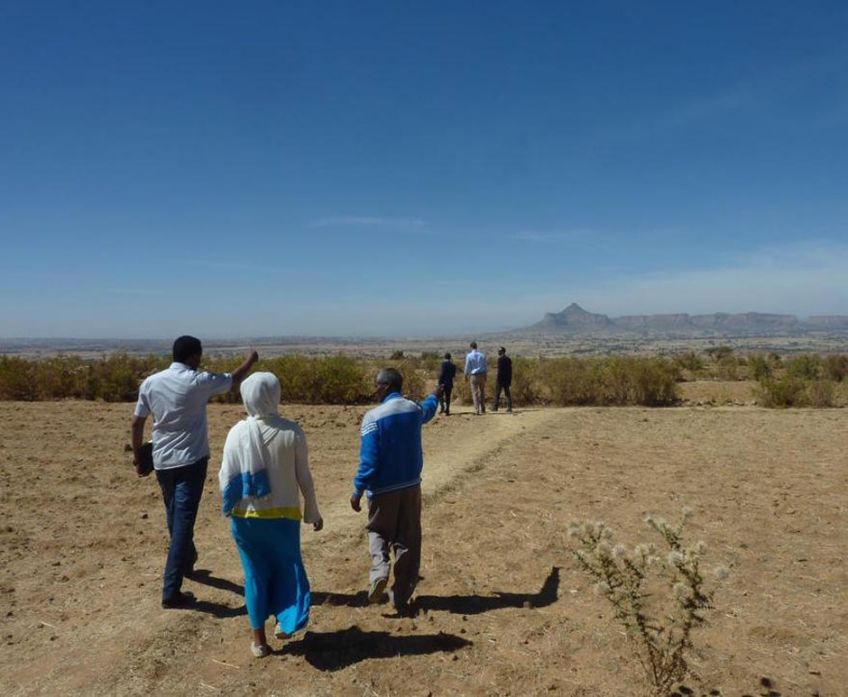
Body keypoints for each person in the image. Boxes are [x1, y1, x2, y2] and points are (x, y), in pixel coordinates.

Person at [131, 336, 258, 609]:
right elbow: (233, 379)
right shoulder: (198, 381)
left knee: (174, 515)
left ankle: (186, 561)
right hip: (191, 461)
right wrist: (251, 360)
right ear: (193, 356)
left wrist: (139, 457)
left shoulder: (151, 382)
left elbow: (137, 422)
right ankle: (171, 591)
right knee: (182, 523)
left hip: (162, 461)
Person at [219, 372, 323, 658]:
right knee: (288, 570)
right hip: (284, 518)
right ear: (275, 394)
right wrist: (312, 511)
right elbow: (305, 478)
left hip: (245, 520)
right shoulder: (292, 432)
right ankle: (285, 622)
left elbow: (225, 477)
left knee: (254, 576)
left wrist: (234, 504)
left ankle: (259, 642)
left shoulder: (237, 433)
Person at [350, 368, 443, 614]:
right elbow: (428, 409)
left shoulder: (373, 418)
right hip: (411, 486)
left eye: (376, 385)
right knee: (408, 539)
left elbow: (369, 460)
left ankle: (380, 571)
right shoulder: (413, 410)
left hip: (382, 489)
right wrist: (435, 395)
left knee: (378, 530)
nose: (374, 390)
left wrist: (358, 489)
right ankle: (400, 594)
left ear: (386, 386)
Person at [464, 341, 487, 415]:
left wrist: (465, 375)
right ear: (476, 346)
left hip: (474, 376)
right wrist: (485, 375)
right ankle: (483, 408)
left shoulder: (469, 356)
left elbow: (467, 366)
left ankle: (477, 409)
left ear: (471, 347)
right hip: (482, 374)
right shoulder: (482, 355)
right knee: (482, 392)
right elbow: (485, 366)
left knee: (475, 393)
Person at [493, 346, 513, 412]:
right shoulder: (508, 359)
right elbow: (510, 371)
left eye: (499, 351)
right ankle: (509, 407)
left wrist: (497, 379)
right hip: (507, 379)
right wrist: (510, 380)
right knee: (508, 394)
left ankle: (495, 407)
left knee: (497, 393)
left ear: (501, 352)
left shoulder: (500, 359)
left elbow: (499, 371)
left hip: (500, 379)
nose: (498, 352)